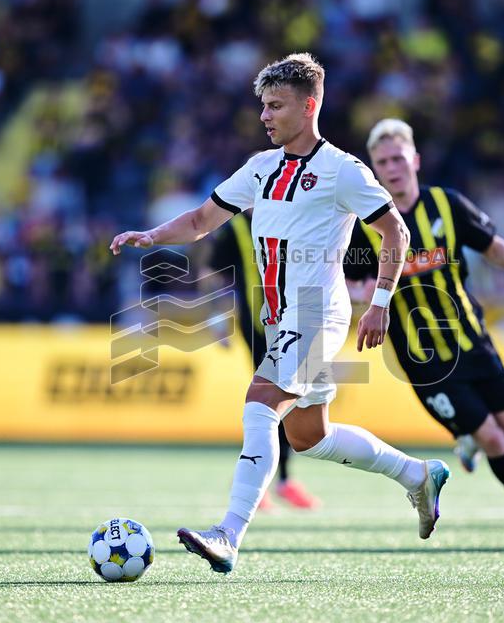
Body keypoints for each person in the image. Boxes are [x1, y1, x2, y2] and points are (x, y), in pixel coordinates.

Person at [111, 54, 450, 573]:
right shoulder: (260, 168)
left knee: (260, 401)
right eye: (262, 106)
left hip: (316, 312)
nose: (265, 116)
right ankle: (418, 475)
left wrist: (380, 302)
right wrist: (153, 235)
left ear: (309, 105)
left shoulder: (343, 170)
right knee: (308, 436)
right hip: (280, 318)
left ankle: (228, 534)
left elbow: (395, 232)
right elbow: (203, 220)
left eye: (276, 105)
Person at [346, 118, 504, 553]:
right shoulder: (365, 226)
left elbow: (491, 246)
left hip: (472, 342)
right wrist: (362, 294)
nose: (392, 168)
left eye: (398, 158)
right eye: (382, 162)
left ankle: (466, 436)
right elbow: (352, 282)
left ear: (414, 160)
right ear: (375, 171)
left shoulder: (447, 206)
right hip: (424, 361)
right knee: (496, 440)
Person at [205, 211, 321, 510]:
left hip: (296, 321)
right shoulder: (236, 228)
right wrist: (216, 315)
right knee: (270, 402)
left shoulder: (294, 216)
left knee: (291, 402)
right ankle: (268, 482)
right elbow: (214, 271)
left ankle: (277, 480)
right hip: (257, 327)